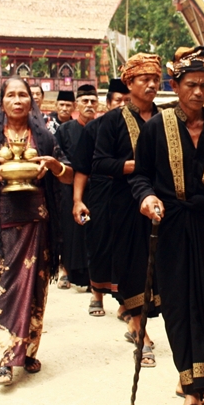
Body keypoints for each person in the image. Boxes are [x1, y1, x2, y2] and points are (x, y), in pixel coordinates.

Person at [130, 46, 204, 405]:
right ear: (175, 85)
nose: (198, 92)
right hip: (171, 226)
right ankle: (192, 391)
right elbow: (140, 176)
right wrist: (146, 198)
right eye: (191, 84)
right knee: (180, 307)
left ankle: (192, 379)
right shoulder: (155, 127)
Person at [0, 77, 73, 385]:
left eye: (23, 95)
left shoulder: (44, 137)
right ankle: (6, 360)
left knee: (34, 287)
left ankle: (30, 351)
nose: (18, 100)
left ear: (31, 101)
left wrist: (54, 165)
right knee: (4, 288)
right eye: (11, 95)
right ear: (1, 100)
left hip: (36, 221)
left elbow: (67, 173)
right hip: (0, 224)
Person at [91, 54, 163, 365]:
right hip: (125, 206)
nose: (150, 84)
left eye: (155, 79)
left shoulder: (167, 119)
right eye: (143, 79)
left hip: (162, 204)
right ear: (129, 83)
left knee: (159, 266)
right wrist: (135, 166)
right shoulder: (111, 121)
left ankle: (141, 321)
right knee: (134, 266)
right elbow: (99, 163)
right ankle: (138, 328)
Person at [72, 79, 127, 318]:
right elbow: (82, 168)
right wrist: (77, 200)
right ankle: (97, 294)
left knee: (127, 248)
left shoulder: (140, 128)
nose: (123, 105)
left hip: (128, 193)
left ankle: (126, 302)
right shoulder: (94, 129)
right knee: (99, 244)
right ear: (108, 103)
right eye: (118, 101)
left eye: (127, 101)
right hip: (101, 192)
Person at [54, 85, 98, 292]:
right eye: (85, 101)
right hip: (69, 189)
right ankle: (68, 272)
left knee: (93, 231)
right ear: (77, 105)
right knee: (71, 232)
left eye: (92, 101)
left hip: (97, 189)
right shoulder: (64, 130)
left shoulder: (102, 127)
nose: (89, 105)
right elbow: (59, 159)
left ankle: (93, 275)